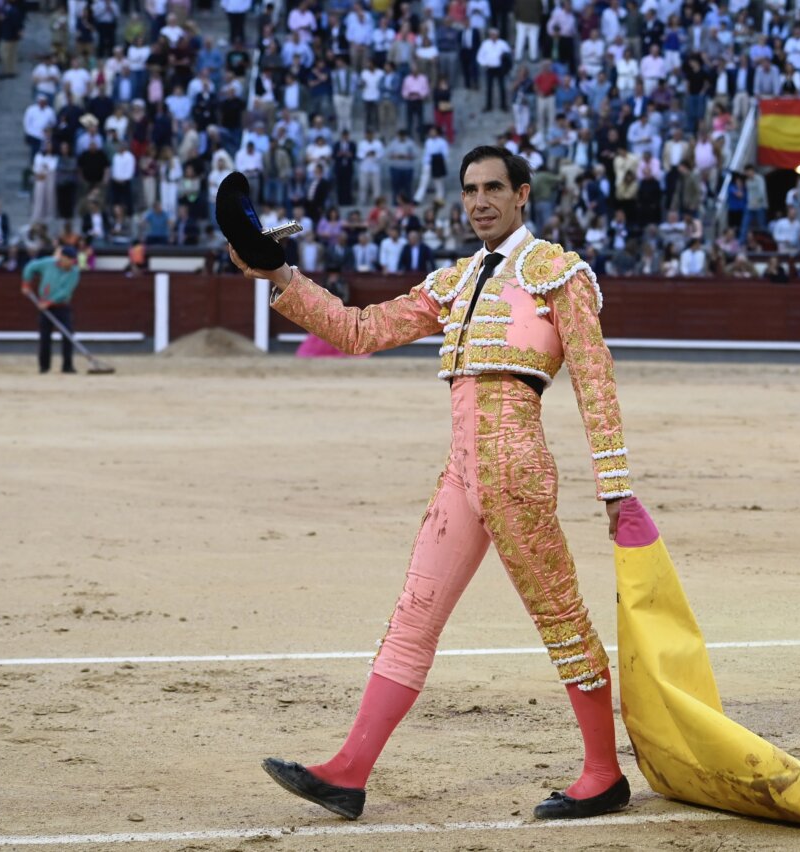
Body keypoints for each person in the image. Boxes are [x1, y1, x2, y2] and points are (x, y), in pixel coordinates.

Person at [230, 145, 634, 822]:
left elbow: (595, 380)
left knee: (560, 614)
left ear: (522, 194)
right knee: (414, 614)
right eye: (470, 189)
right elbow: (360, 331)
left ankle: (604, 772)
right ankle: (350, 770)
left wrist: (614, 486)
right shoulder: (453, 280)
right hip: (463, 471)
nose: (479, 201)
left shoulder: (559, 274)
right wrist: (282, 275)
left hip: (517, 469)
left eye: (493, 189)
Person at [21, 245, 82, 374]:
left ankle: (67, 366)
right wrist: (26, 282)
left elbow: (65, 292)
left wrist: (50, 302)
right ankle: (44, 367)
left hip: (62, 307)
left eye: (73, 260)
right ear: (63, 257)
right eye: (69, 259)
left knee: (67, 336)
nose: (71, 262)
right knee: (45, 338)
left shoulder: (74, 272)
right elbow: (30, 267)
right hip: (45, 307)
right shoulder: (48, 263)